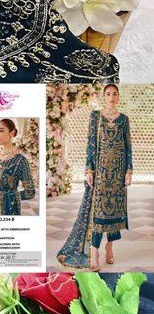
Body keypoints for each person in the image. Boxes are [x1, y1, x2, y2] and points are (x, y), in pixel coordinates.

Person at [57, 84, 133, 272]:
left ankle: (110, 246)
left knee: (114, 209)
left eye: (115, 94)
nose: (112, 97)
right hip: (100, 171)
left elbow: (128, 146)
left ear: (118, 96)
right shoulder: (95, 116)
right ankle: (94, 250)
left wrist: (129, 171)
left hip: (118, 171)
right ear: (103, 96)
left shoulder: (124, 119)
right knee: (98, 211)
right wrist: (89, 170)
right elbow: (91, 145)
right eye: (108, 94)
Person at [0, 119, 36, 215]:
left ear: (11, 133)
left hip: (8, 213)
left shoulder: (20, 161)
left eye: (1, 131)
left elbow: (30, 192)